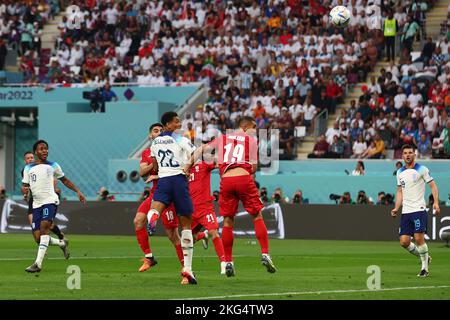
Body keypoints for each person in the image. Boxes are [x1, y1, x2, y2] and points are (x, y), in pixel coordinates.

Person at [191, 116, 276, 277]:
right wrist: (246, 170)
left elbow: (200, 150)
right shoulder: (250, 140)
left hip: (226, 181)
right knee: (257, 216)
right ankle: (265, 253)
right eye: (253, 128)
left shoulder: (222, 138)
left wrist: (188, 166)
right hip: (243, 178)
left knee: (228, 220)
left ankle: (228, 261)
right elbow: (253, 167)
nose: (255, 131)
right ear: (245, 127)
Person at [147, 112, 197, 285]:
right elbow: (195, 153)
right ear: (168, 124)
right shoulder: (181, 139)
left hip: (163, 180)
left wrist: (156, 175)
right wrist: (188, 166)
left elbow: (154, 165)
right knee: (186, 226)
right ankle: (188, 269)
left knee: (155, 208)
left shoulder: (155, 142)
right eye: (176, 121)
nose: (179, 123)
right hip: (178, 180)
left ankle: (153, 218)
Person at [22, 140, 86, 273]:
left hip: (50, 201)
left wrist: (78, 191)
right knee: (39, 238)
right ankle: (61, 243)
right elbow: (25, 185)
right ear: (36, 152)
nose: (44, 151)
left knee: (45, 229)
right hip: (36, 204)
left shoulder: (53, 165)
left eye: (46, 148)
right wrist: (25, 191)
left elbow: (65, 180)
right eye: (41, 149)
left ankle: (37, 264)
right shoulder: (28, 169)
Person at [133, 123, 184, 273]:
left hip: (168, 195)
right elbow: (142, 171)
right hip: (155, 194)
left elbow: (180, 170)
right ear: (150, 136)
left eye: (161, 130)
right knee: (138, 221)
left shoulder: (172, 149)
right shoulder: (147, 152)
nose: (159, 132)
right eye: (156, 131)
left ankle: (186, 269)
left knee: (173, 236)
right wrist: (152, 165)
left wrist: (156, 174)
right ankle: (149, 257)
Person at [391, 144, 441, 277]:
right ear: (402, 156)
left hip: (418, 209)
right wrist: (396, 207)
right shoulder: (399, 172)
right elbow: (400, 191)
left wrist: (436, 202)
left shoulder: (422, 169)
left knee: (419, 239)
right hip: (406, 211)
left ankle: (424, 269)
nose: (407, 155)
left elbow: (433, 186)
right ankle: (426, 257)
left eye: (410, 153)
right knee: (404, 242)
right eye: (405, 153)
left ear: (414, 154)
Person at [187, 153, 227, 274]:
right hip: (190, 210)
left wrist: (209, 153)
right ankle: (203, 236)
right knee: (190, 240)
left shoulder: (203, 166)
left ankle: (224, 263)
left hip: (205, 208)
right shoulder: (184, 170)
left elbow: (217, 161)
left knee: (214, 232)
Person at [22, 151, 65, 241]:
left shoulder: (43, 167)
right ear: (25, 160)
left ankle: (60, 235)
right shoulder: (26, 170)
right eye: (28, 158)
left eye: (31, 157)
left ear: (34, 158)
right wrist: (26, 194)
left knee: (48, 225)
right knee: (33, 225)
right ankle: (41, 247)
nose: (30, 159)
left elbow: (55, 180)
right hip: (34, 200)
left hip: (46, 199)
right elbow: (26, 186)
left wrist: (49, 189)